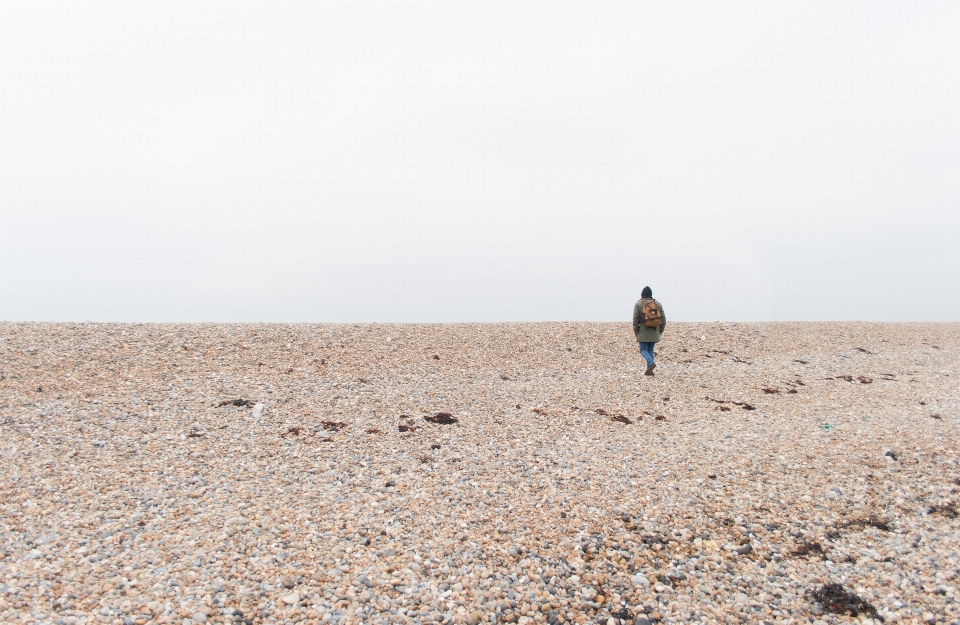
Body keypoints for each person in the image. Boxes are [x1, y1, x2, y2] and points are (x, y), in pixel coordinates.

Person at [632, 286, 666, 376]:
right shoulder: (658, 304)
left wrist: (637, 333)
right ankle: (650, 371)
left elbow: (635, 320)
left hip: (643, 331)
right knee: (650, 349)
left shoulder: (638, 304)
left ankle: (650, 363)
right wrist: (659, 331)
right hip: (655, 331)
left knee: (643, 349)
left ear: (642, 295)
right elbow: (663, 319)